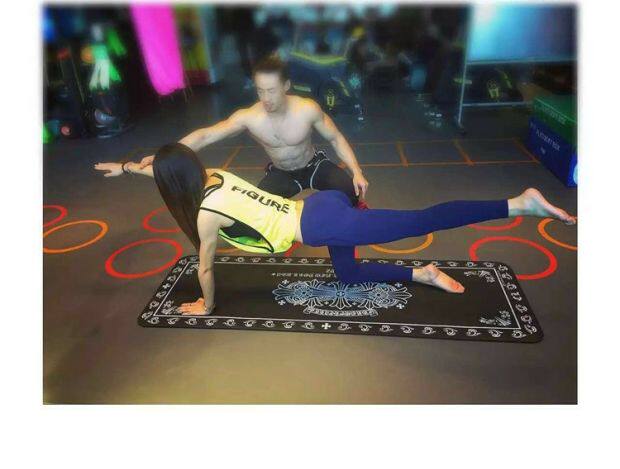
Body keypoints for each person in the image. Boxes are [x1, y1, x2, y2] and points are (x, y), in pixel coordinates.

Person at [95, 143, 576, 316]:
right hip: (320, 206)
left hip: (326, 220)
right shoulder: (214, 174)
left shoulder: (204, 215)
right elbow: (169, 170)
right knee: (347, 275)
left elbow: (205, 268)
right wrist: (128, 167)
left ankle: (519, 203)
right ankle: (423, 273)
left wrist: (206, 305)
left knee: (422, 219)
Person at [137, 55, 370, 207]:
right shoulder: (250, 117)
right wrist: (164, 155)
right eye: (260, 91)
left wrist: (357, 171)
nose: (266, 98)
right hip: (282, 173)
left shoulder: (307, 109)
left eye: (271, 90)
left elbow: (336, 138)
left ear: (286, 86)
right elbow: (206, 135)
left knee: (350, 192)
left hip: (313, 165)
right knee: (255, 219)